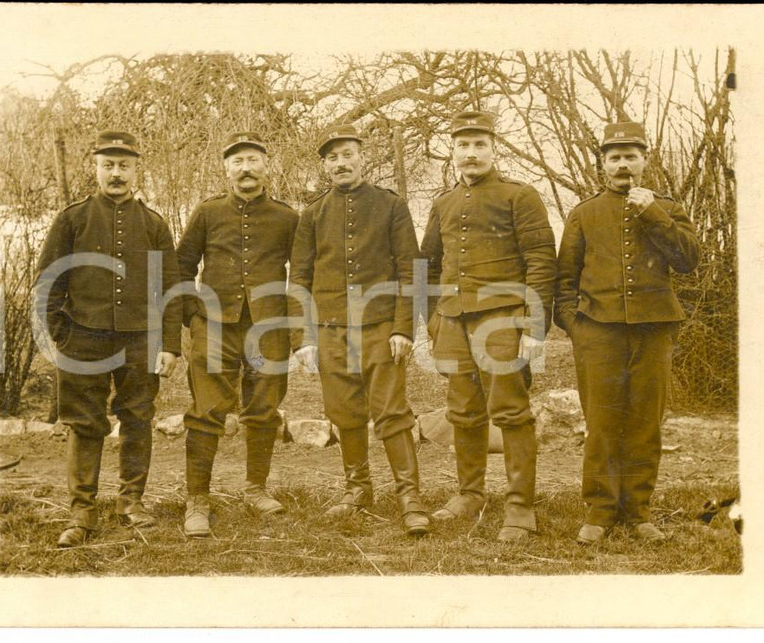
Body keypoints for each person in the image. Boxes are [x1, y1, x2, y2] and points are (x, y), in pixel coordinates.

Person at [34, 130, 182, 548]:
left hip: (140, 341)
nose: (116, 174)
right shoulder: (72, 218)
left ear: (136, 170)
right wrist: (61, 333)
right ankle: (82, 511)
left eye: (124, 166)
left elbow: (170, 288)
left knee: (138, 417)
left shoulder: (154, 224)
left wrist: (169, 344)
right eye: (108, 165)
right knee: (84, 422)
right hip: (82, 339)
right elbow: (48, 281)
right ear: (95, 167)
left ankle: (131, 502)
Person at [555, 121, 699, 545]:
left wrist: (650, 212)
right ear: (602, 165)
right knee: (601, 421)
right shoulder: (584, 212)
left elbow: (688, 260)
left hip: (654, 329)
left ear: (643, 161)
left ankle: (638, 511)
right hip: (597, 331)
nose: (623, 165)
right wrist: (576, 328)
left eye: (630, 156)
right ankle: (599, 510)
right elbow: (565, 280)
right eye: (614, 157)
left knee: (644, 422)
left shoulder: (667, 208)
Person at [420, 111, 556, 542]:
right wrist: (434, 319)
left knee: (512, 413)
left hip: (503, 320)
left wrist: (534, 326)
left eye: (480, 145)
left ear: (494, 149)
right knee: (462, 411)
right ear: (453, 152)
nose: (471, 153)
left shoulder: (521, 195)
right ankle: (470, 493)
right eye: (463, 145)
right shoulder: (442, 202)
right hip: (453, 321)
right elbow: (429, 265)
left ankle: (519, 506)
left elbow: (541, 260)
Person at [289, 124, 429, 537]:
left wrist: (403, 327)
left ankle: (409, 496)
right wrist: (307, 336)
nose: (341, 163)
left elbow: (411, 268)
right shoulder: (312, 213)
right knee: (345, 412)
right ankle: (357, 489)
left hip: (381, 327)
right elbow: (299, 276)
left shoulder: (390, 205)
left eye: (347, 154)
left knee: (391, 411)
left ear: (362, 157)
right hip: (331, 329)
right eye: (332, 157)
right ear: (325, 165)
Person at [175, 132, 299, 538]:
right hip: (213, 323)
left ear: (266, 165)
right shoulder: (208, 212)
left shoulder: (286, 217)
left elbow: (300, 273)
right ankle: (198, 500)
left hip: (268, 325)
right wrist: (192, 311)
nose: (245, 169)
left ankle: (255, 489)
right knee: (207, 409)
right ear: (226, 169)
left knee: (264, 406)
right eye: (236, 162)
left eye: (252, 160)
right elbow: (182, 265)